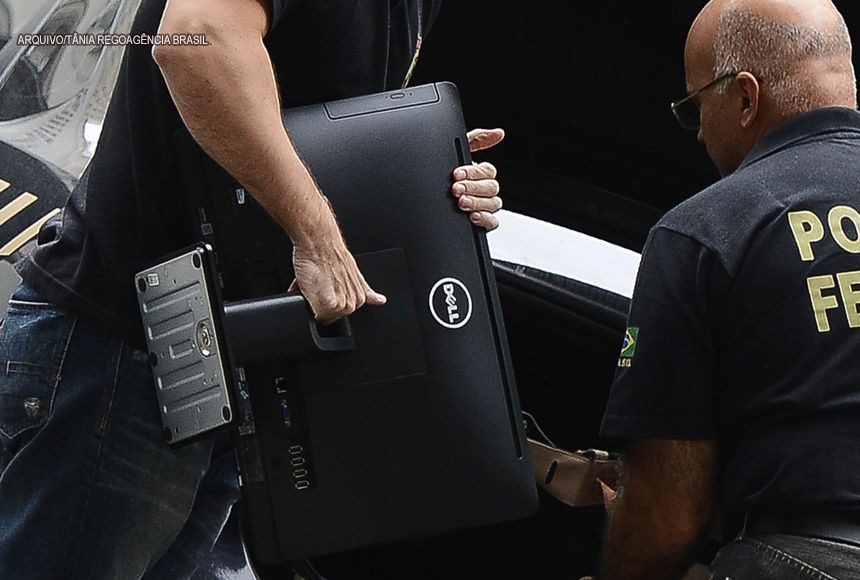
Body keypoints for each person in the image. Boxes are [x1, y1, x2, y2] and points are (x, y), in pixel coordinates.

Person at [0, 0, 504, 578]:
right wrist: (316, 237)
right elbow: (197, 39)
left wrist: (426, 166)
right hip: (123, 355)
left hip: (224, 370)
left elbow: (310, 125)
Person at [596, 0, 860, 578]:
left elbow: (666, 518)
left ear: (745, 97)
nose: (697, 134)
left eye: (694, 107)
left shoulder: (704, 232)